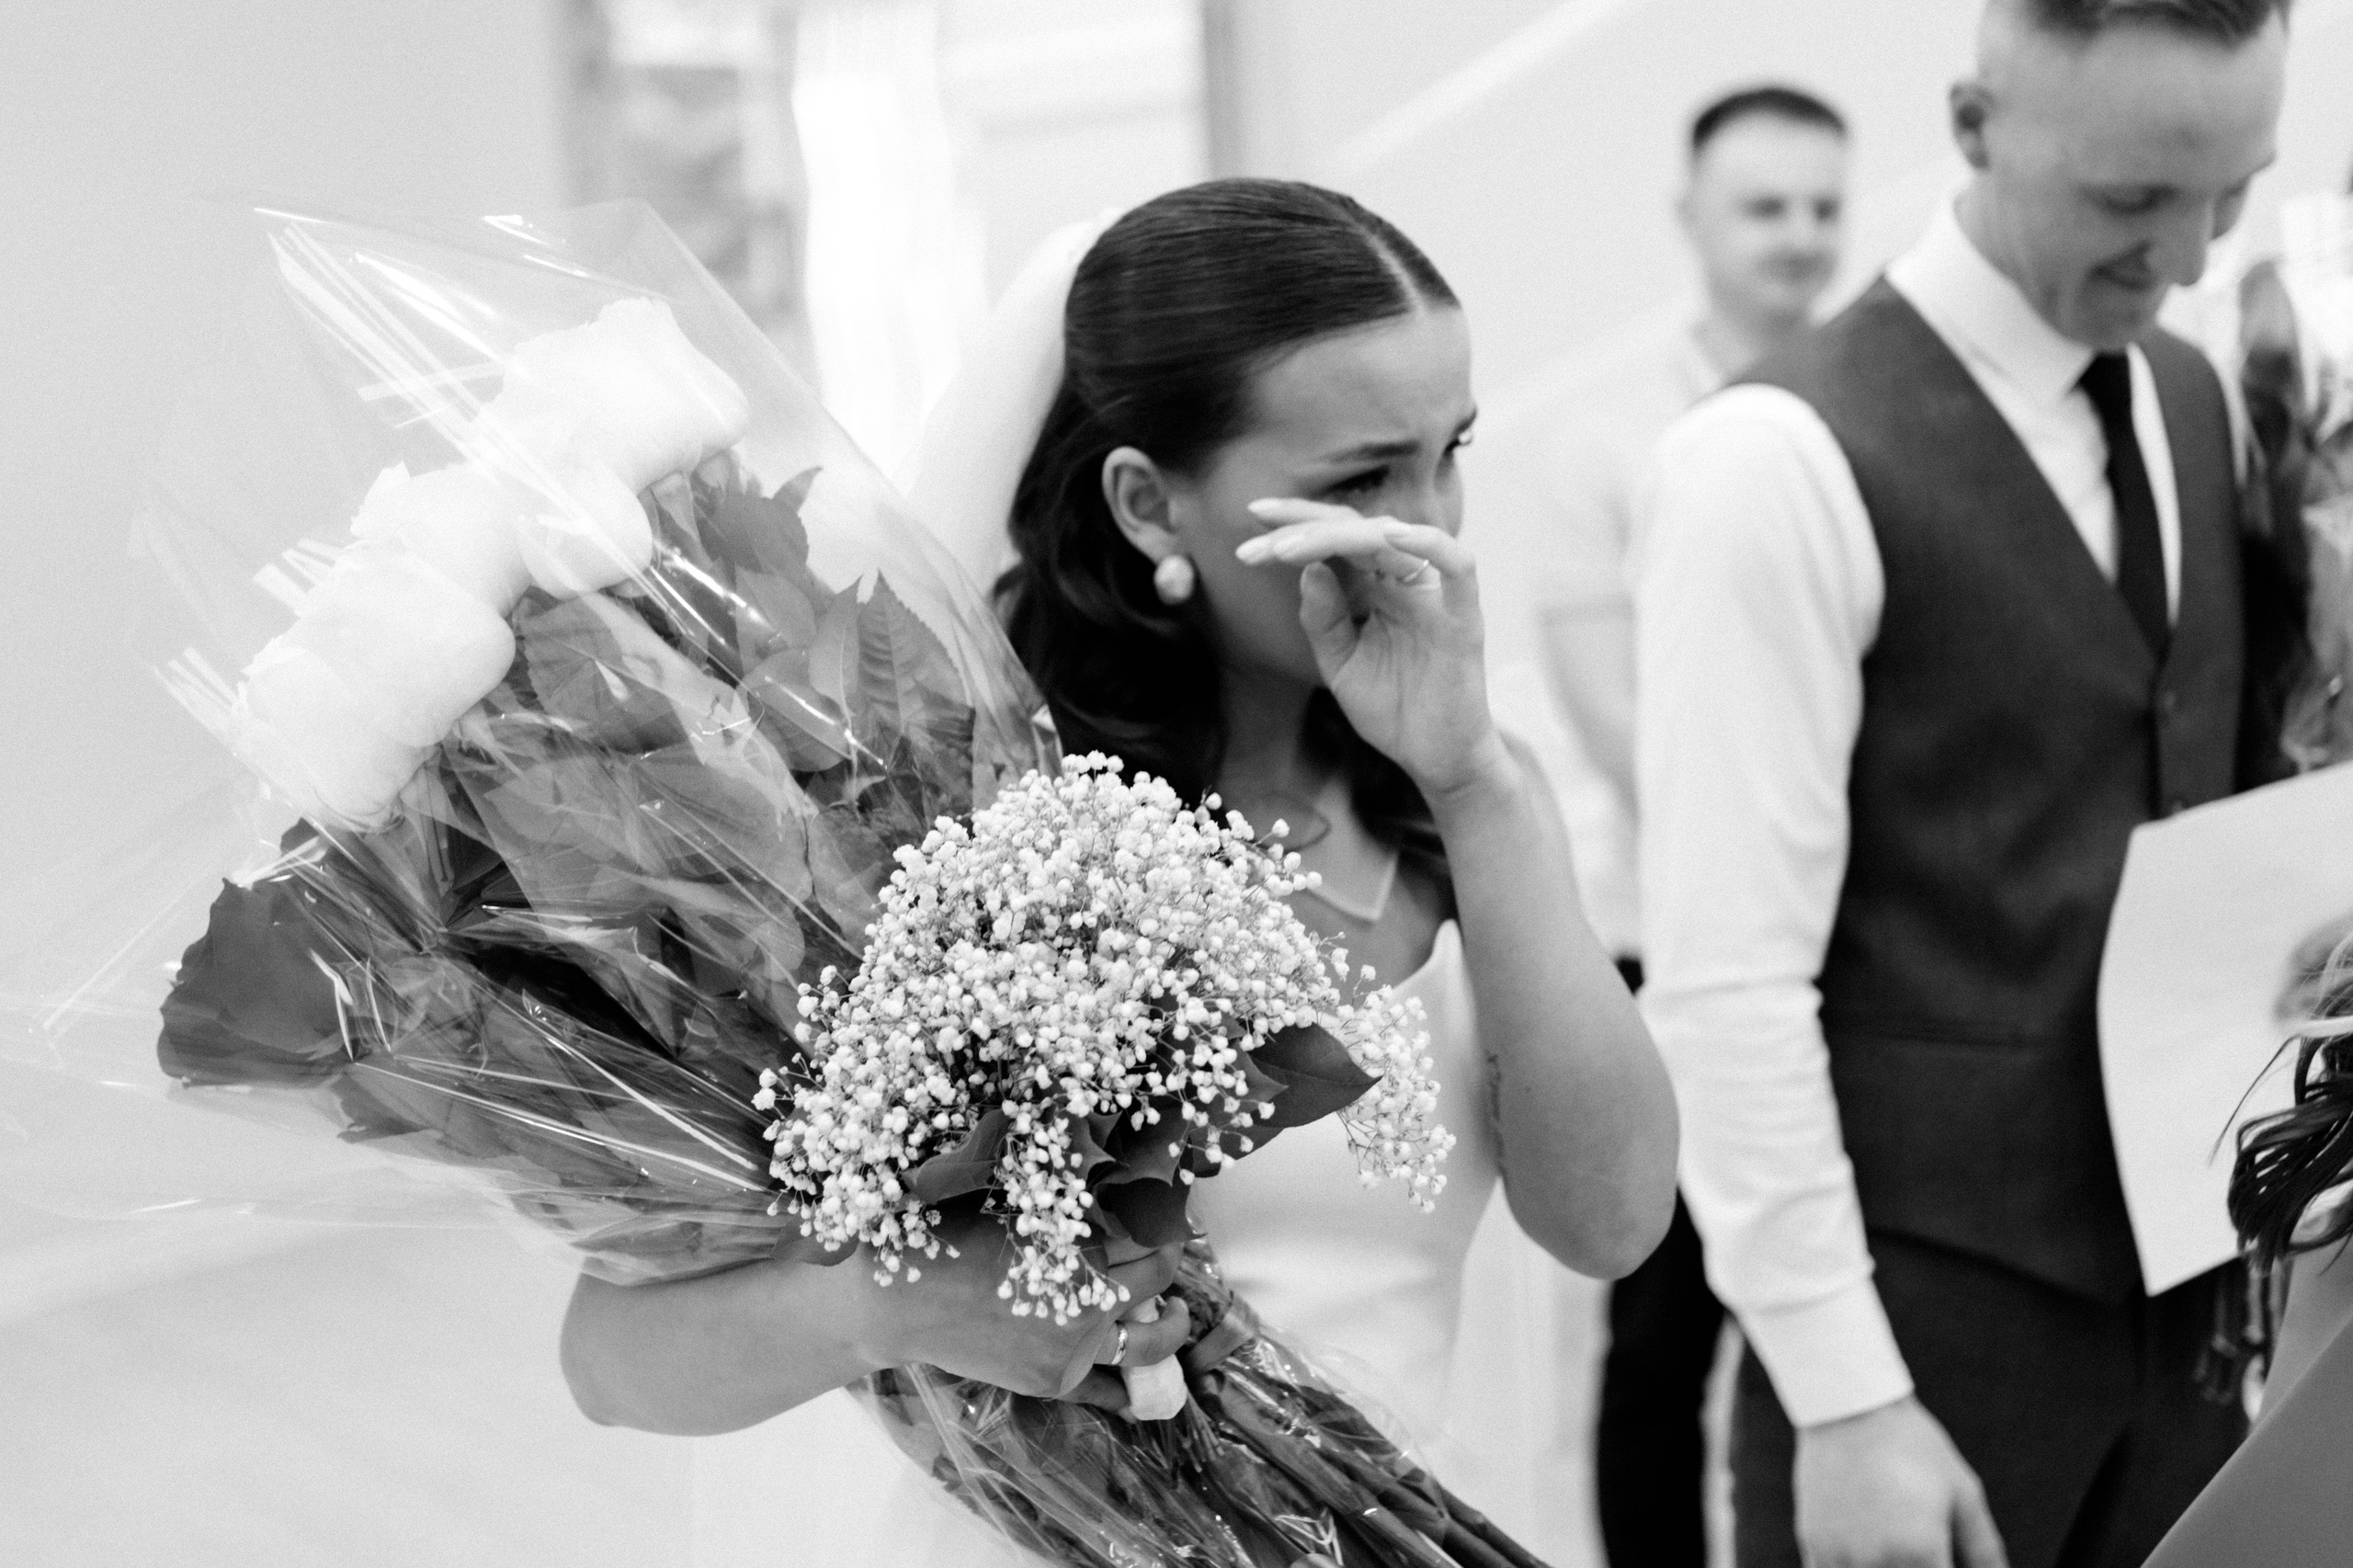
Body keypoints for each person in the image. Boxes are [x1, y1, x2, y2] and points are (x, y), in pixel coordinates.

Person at [560, 177, 1681, 1563]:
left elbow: (1610, 1221)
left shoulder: (1471, 805)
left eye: (1448, 454)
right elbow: (607, 1360)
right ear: (1150, 503)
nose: (1425, 534)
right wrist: (893, 1304)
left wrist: (1472, 780)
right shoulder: (949, 820)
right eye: (1360, 481)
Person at [1633, 4, 2290, 1567]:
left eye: (2232, 191)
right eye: (2131, 198)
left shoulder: (2193, 396)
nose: (2189, 255)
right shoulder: (1770, 462)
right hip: (1917, 1349)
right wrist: (1848, 1399)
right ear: (1975, 125)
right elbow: (1729, 984)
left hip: (2190, 1343)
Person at [1475, 81, 1849, 1568]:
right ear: (1691, 218)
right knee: (1667, 1325)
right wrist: (1774, 856)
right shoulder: (1607, 438)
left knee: (1837, 1301)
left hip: (1858, 934)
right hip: (1667, 937)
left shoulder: (1865, 409)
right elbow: (1618, 717)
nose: (1799, 236)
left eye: (1823, 206)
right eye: (1765, 206)